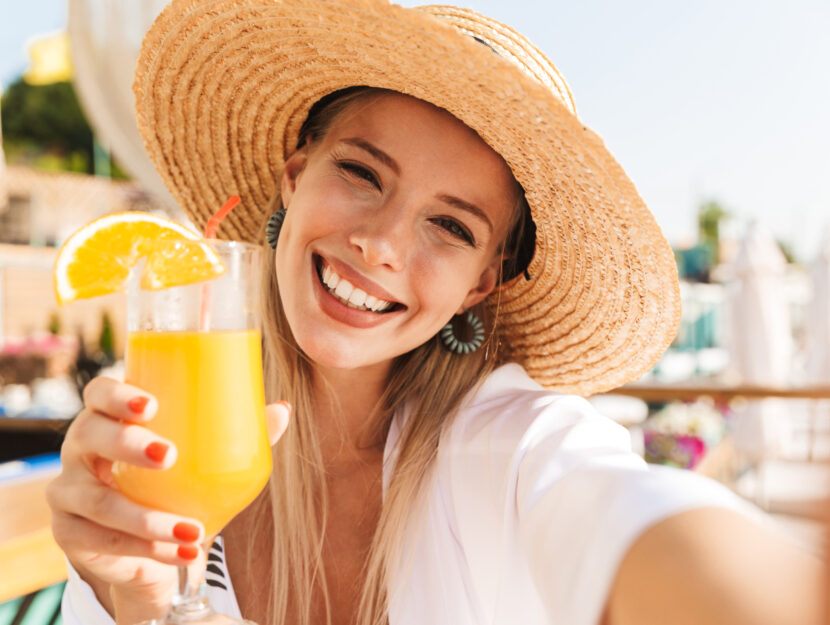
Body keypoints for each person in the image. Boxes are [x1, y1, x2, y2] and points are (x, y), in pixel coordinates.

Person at [47, 1, 824, 625]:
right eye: (360, 171)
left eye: (450, 226)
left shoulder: (507, 441)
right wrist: (134, 609)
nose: (382, 246)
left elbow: (635, 511)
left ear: (482, 283)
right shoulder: (163, 447)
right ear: (294, 176)